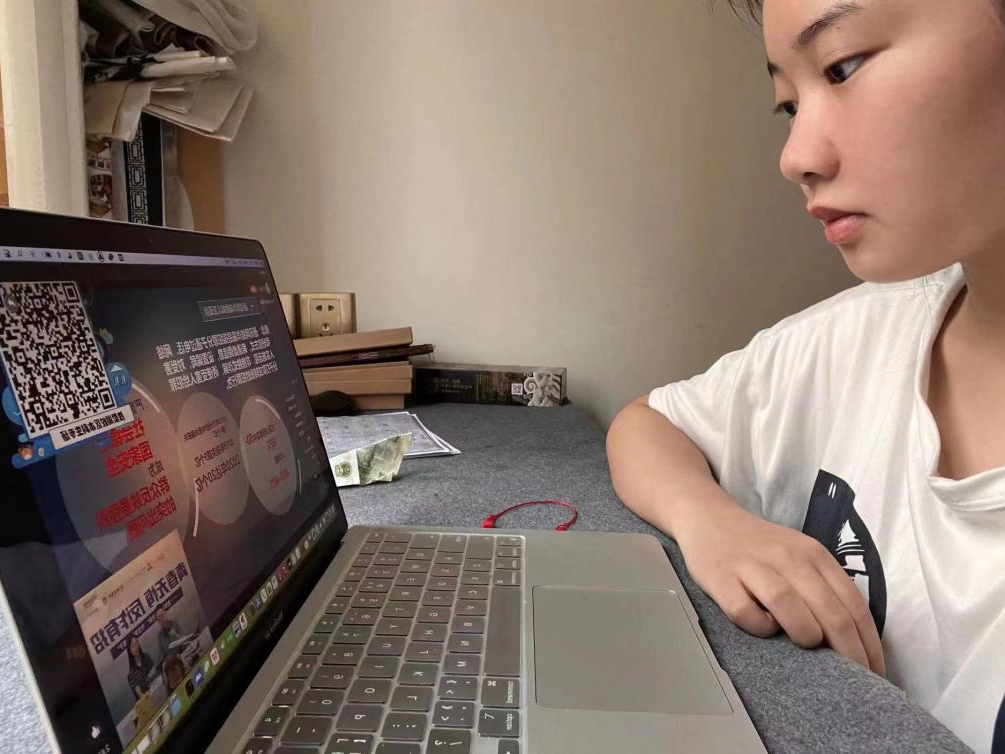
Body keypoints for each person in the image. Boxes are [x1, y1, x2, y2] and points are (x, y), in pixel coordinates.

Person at [605, 2, 1005, 752]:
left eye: (842, 68)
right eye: (788, 104)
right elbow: (649, 424)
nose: (795, 157)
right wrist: (713, 524)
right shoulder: (864, 334)